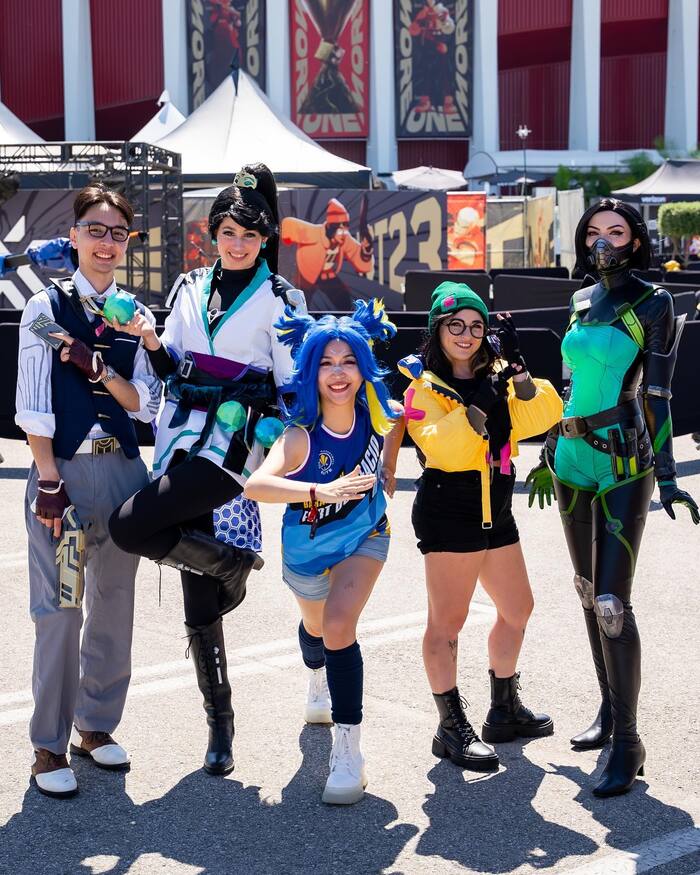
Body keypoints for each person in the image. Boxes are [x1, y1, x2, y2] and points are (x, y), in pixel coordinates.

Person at [109, 163, 305, 777]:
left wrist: (273, 429)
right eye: (228, 232)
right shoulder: (187, 287)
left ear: (265, 238)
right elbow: (170, 367)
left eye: (249, 234)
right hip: (177, 439)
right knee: (197, 594)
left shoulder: (282, 298)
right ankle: (220, 722)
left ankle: (230, 566)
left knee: (128, 526)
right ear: (213, 233)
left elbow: (290, 386)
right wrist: (150, 341)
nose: (238, 244)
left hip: (234, 445)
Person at [527, 199, 699, 797]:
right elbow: (571, 385)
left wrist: (668, 475)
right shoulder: (580, 300)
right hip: (570, 457)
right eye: (594, 231)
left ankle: (629, 742)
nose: (603, 241)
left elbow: (659, 392)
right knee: (585, 591)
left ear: (635, 240)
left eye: (616, 231)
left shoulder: (654, 302)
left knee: (611, 603)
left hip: (625, 459)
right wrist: (548, 447)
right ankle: (608, 710)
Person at [15, 184, 161, 798]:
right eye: (95, 230)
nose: (106, 243)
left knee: (114, 602)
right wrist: (49, 480)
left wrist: (106, 365)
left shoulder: (135, 314)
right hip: (66, 478)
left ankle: (95, 726)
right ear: (73, 237)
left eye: (117, 234)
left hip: (123, 472)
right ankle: (48, 745)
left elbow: (146, 403)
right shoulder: (44, 308)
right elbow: (32, 404)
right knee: (62, 607)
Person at [396, 282, 562, 772]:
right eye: (455, 325)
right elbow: (445, 449)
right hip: (450, 508)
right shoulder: (422, 387)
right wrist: (483, 400)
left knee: (518, 607)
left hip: (497, 506)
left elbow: (542, 414)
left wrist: (519, 369)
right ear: (437, 330)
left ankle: (503, 709)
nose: (466, 335)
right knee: (447, 624)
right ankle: (450, 728)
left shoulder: (499, 376)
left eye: (475, 326)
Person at [244, 300, 402, 805]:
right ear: (311, 371)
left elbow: (397, 421)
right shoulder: (298, 436)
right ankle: (317, 680)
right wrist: (320, 491)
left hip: (367, 534)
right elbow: (256, 485)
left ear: (363, 367)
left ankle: (349, 751)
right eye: (327, 363)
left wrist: (389, 467)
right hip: (307, 552)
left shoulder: (375, 414)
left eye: (349, 361)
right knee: (316, 629)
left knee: (338, 624)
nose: (339, 373)